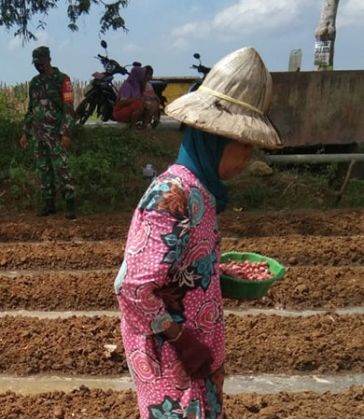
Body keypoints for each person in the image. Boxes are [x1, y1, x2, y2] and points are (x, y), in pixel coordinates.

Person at [114, 47, 282, 419]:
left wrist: (214, 276)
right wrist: (183, 340)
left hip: (195, 360)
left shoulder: (200, 192)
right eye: (245, 145)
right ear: (215, 138)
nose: (248, 158)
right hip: (174, 364)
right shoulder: (172, 196)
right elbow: (132, 287)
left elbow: (177, 270)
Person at [19, 46, 77, 219]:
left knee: (62, 167)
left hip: (56, 134)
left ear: (48, 59)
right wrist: (25, 133)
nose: (38, 66)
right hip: (39, 134)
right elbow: (31, 109)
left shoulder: (62, 80)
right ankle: (48, 203)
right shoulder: (34, 82)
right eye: (35, 63)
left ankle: (70, 203)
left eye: (40, 62)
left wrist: (66, 133)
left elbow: (68, 108)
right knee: (43, 169)